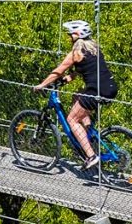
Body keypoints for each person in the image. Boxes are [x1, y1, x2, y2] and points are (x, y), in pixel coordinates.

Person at [37, 19, 118, 176]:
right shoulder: (94, 48)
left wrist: (42, 85)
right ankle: (89, 134)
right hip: (110, 88)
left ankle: (91, 156)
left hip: (96, 91)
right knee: (77, 96)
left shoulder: (76, 52)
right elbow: (83, 70)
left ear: (77, 35)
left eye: (70, 35)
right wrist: (67, 79)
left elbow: (59, 70)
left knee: (72, 120)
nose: (69, 38)